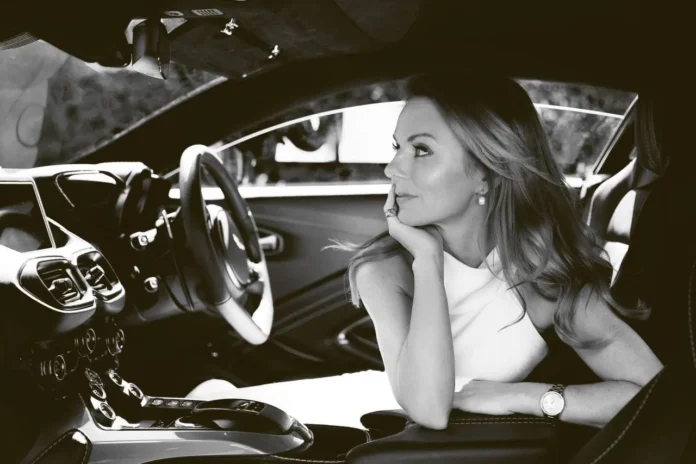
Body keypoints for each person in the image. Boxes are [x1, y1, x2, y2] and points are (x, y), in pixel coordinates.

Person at [188, 72, 663, 430]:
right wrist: (428, 261)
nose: (392, 168)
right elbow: (425, 404)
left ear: (485, 172)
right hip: (370, 411)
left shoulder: (542, 271)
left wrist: (528, 397)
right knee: (209, 404)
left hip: (409, 443)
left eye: (421, 150)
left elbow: (655, 394)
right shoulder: (384, 269)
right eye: (397, 146)